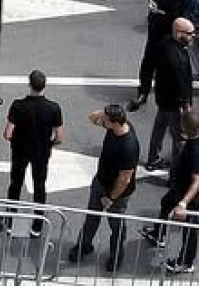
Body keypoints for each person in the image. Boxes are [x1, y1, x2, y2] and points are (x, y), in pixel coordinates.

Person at [67, 104, 140, 271]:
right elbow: (92, 117)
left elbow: (125, 179)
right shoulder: (114, 127)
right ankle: (84, 245)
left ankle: (116, 256)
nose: (101, 121)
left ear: (114, 122)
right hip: (101, 182)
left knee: (116, 225)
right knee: (91, 218)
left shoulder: (128, 145)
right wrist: (104, 112)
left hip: (117, 193)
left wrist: (111, 198)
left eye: (105, 120)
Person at [140, 110, 199, 274]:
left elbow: (196, 180)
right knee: (165, 204)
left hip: (188, 195)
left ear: (184, 128)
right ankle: (158, 234)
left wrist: (183, 203)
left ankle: (187, 261)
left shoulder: (195, 150)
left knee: (189, 227)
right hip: (180, 189)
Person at [142, 18, 197, 171]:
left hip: (163, 99)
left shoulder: (166, 43)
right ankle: (175, 174)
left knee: (159, 128)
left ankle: (153, 158)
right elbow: (181, 84)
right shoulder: (176, 58)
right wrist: (185, 106)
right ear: (179, 33)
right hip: (175, 104)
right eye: (190, 33)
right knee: (179, 138)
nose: (193, 36)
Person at [3, 70, 64, 206]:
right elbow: (59, 137)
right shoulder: (54, 108)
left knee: (15, 184)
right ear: (44, 86)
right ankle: (37, 223)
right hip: (41, 152)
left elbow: (7, 133)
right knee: (39, 185)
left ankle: (9, 219)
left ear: (29, 85)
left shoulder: (18, 105)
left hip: (20, 150)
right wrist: (48, 144)